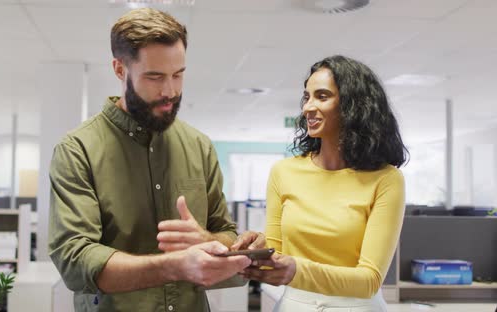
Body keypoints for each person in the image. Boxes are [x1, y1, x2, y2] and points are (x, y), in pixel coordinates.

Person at [48, 8, 250, 312]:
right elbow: (76, 259)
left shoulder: (199, 146)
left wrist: (208, 240)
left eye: (178, 75)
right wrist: (175, 266)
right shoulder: (78, 149)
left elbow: (225, 232)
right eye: (155, 76)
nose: (170, 91)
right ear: (120, 69)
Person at [232, 55, 408, 311]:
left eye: (322, 96)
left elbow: (370, 279)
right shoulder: (284, 172)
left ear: (353, 106)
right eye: (307, 97)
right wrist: (257, 245)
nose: (307, 107)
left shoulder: (386, 179)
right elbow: (276, 253)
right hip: (295, 304)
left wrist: (297, 270)